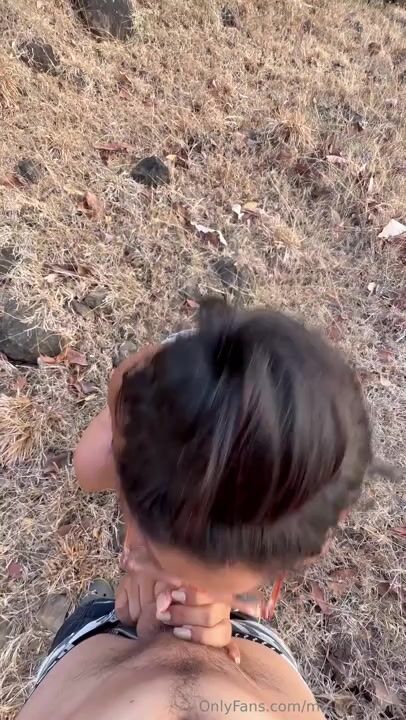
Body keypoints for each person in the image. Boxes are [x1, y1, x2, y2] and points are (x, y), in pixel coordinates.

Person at [74, 297, 371, 648]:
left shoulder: (304, 513)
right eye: (166, 565)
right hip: (176, 395)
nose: (184, 588)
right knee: (88, 468)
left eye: (231, 592)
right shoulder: (146, 380)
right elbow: (120, 384)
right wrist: (139, 542)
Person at [17, 580, 325, 720]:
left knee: (104, 608)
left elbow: (93, 472)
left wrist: (144, 548)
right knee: (235, 595)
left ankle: (98, 604)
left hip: (101, 638)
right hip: (248, 644)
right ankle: (232, 599)